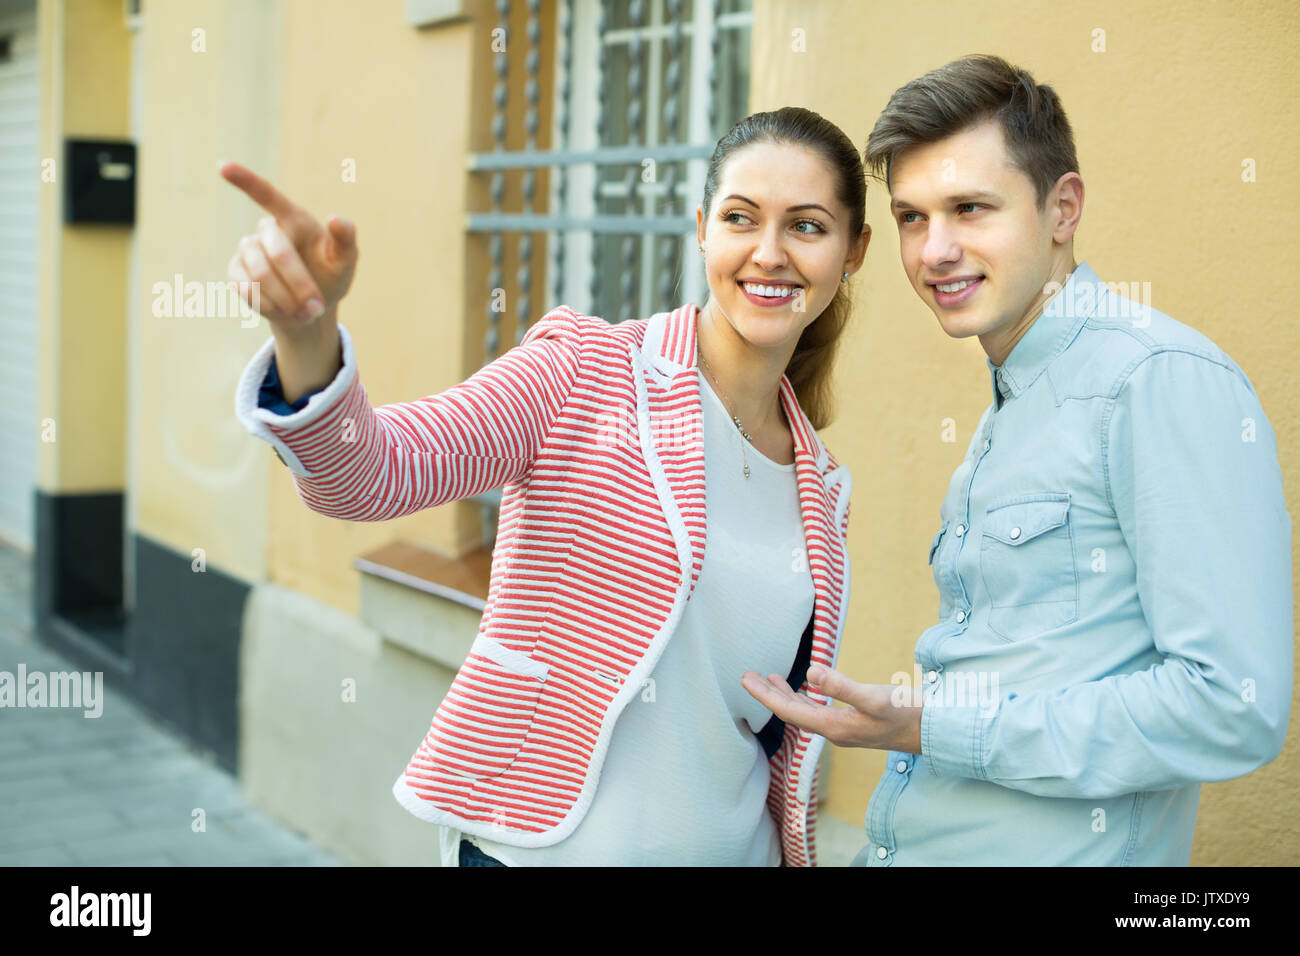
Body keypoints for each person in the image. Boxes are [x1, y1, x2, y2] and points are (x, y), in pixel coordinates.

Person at [224, 104, 871, 866]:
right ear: (702, 229)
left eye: (806, 226)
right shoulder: (587, 372)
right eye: (740, 218)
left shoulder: (822, 488)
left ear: (853, 251)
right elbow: (370, 475)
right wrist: (307, 335)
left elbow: (765, 732)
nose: (769, 253)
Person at [742, 54, 1292, 866]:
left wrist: (928, 724)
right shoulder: (1023, 391)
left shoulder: (1154, 380)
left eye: (970, 208)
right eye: (913, 216)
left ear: (1062, 207)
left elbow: (1230, 707)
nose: (935, 251)